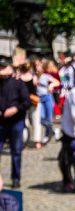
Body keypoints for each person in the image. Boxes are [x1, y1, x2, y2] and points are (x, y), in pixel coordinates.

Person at [0, 56, 31, 189]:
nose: (1, 70)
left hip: (16, 121)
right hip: (1, 122)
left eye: (4, 67)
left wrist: (15, 109)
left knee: (16, 151)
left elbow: (26, 102)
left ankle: (15, 178)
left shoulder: (18, 83)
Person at [37, 60, 61, 144]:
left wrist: (52, 85)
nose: (37, 67)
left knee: (49, 118)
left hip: (47, 97)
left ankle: (47, 135)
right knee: (41, 118)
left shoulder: (46, 76)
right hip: (39, 99)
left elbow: (57, 82)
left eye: (39, 66)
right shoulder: (34, 76)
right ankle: (54, 130)